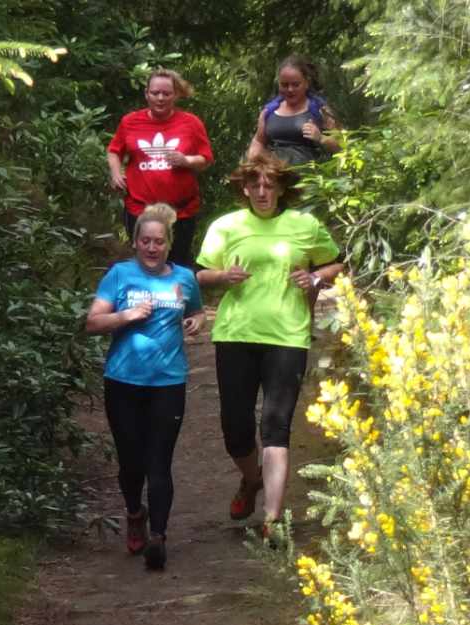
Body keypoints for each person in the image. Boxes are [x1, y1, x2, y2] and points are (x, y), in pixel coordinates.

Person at [195, 154, 344, 542]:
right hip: (235, 333)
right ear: (245, 188)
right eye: (255, 185)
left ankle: (272, 520)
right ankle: (251, 479)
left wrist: (313, 277)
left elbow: (335, 265)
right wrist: (223, 276)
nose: (262, 192)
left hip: (287, 335)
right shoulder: (225, 226)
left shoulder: (304, 225)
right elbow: (201, 273)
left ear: (281, 189)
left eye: (270, 185)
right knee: (236, 428)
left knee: (275, 425)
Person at [86, 203, 204, 569]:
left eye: (159, 242)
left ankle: (158, 536)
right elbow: (92, 322)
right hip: (123, 380)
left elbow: (196, 311)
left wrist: (196, 322)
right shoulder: (119, 275)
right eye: (145, 242)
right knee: (131, 462)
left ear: (169, 245)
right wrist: (127, 316)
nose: (152, 248)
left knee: (159, 461)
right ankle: (135, 512)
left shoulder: (184, 278)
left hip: (168, 381)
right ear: (135, 243)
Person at [107, 69, 214, 268]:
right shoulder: (130, 122)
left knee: (177, 265)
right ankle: (144, 300)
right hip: (140, 209)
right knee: (145, 265)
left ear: (176, 95)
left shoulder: (191, 123)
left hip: (180, 211)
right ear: (146, 93)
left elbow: (206, 158)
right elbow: (114, 151)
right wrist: (115, 173)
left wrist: (187, 160)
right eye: (155, 93)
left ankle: (177, 299)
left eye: (166, 93)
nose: (160, 98)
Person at [247, 54, 341, 166]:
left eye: (295, 85)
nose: (290, 89)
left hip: (308, 179)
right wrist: (253, 161)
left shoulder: (320, 109)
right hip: (276, 177)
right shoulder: (269, 111)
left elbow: (341, 146)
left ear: (306, 83)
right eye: (284, 85)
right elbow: (258, 141)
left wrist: (320, 137)